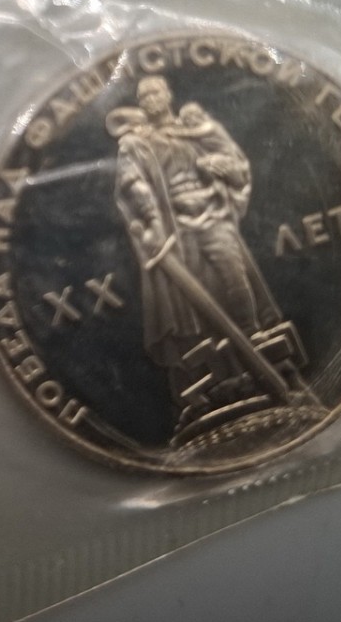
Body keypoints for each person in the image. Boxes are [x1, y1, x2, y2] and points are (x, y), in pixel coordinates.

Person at [111, 75, 296, 430]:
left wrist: (220, 166)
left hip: (212, 214)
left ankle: (254, 341)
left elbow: (236, 165)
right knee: (190, 308)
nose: (150, 99)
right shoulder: (135, 143)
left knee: (234, 276)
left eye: (155, 92)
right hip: (174, 230)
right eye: (143, 95)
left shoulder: (197, 129)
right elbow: (131, 182)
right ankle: (216, 379)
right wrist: (151, 217)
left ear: (168, 94)